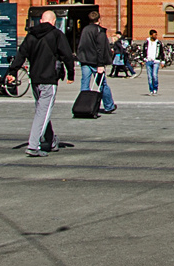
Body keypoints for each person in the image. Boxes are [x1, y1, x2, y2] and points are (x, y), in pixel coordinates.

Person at [6, 10, 74, 158]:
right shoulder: (56, 35)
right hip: (49, 79)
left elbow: (21, 54)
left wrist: (12, 72)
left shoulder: (31, 35)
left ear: (41, 21)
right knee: (43, 112)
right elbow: (67, 55)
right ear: (54, 22)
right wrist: (70, 73)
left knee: (41, 110)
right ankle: (33, 145)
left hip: (35, 79)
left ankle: (50, 140)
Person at [76, 10, 116, 114]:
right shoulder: (99, 31)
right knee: (102, 84)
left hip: (85, 60)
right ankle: (109, 105)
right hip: (95, 61)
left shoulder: (85, 30)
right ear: (99, 19)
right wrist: (101, 64)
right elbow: (100, 49)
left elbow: (81, 46)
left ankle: (83, 106)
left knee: (85, 83)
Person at [142, 29, 162, 94]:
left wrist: (162, 61)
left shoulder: (158, 43)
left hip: (156, 61)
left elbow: (161, 52)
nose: (156, 36)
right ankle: (151, 89)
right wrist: (144, 59)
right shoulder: (146, 43)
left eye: (156, 35)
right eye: (154, 35)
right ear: (151, 35)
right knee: (149, 76)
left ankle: (155, 88)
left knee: (154, 75)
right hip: (148, 61)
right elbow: (144, 51)